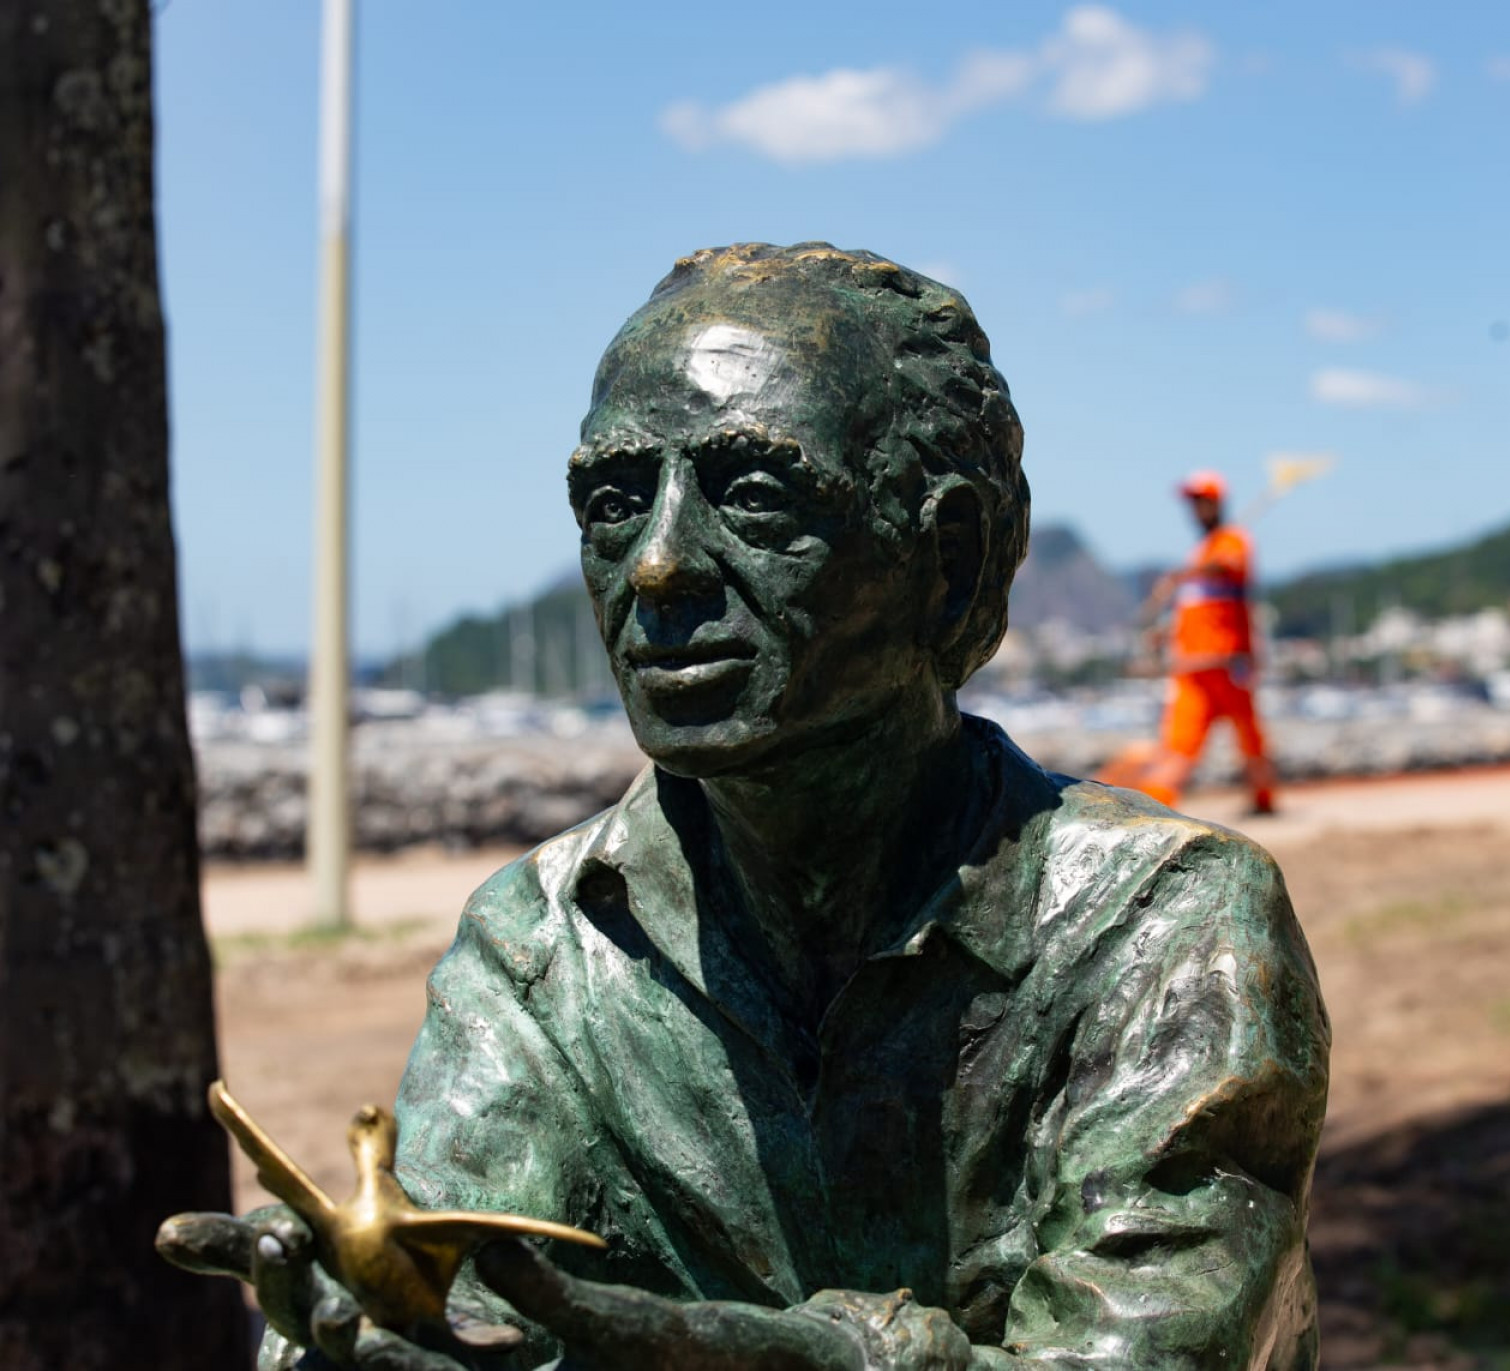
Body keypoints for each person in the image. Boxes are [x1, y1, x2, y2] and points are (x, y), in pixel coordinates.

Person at [165, 243, 1329, 1370]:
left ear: (953, 560)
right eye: (616, 501)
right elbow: (464, 1293)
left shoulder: (1165, 929)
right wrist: (385, 1336)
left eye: (757, 496)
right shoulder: (543, 948)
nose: (659, 564)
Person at [1104, 472, 1280, 815]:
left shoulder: (1232, 542)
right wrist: (1166, 633)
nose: (1197, 509)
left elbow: (1224, 568)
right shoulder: (1201, 553)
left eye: (1203, 501)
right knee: (1178, 744)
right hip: (1192, 667)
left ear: (1217, 503)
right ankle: (1157, 807)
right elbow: (1197, 612)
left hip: (1228, 664)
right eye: (1193, 502)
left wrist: (1179, 576)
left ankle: (1264, 799)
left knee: (1250, 739)